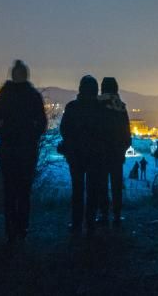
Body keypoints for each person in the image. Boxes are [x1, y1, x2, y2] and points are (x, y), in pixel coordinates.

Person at [0, 60, 46, 242]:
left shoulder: (4, 95)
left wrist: (3, 134)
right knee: (24, 190)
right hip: (28, 149)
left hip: (8, 148)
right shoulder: (33, 96)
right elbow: (42, 124)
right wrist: (32, 136)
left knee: (9, 190)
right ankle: (22, 227)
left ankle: (10, 228)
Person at [59, 75, 104, 234]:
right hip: (95, 156)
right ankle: (90, 222)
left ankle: (77, 223)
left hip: (75, 155)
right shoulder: (100, 109)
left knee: (77, 190)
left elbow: (64, 129)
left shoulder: (72, 107)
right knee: (93, 190)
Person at [97, 77, 130, 225]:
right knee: (116, 184)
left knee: (101, 184)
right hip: (117, 153)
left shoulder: (97, 105)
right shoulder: (121, 107)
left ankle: (103, 214)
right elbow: (126, 132)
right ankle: (117, 215)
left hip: (100, 153)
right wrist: (123, 148)